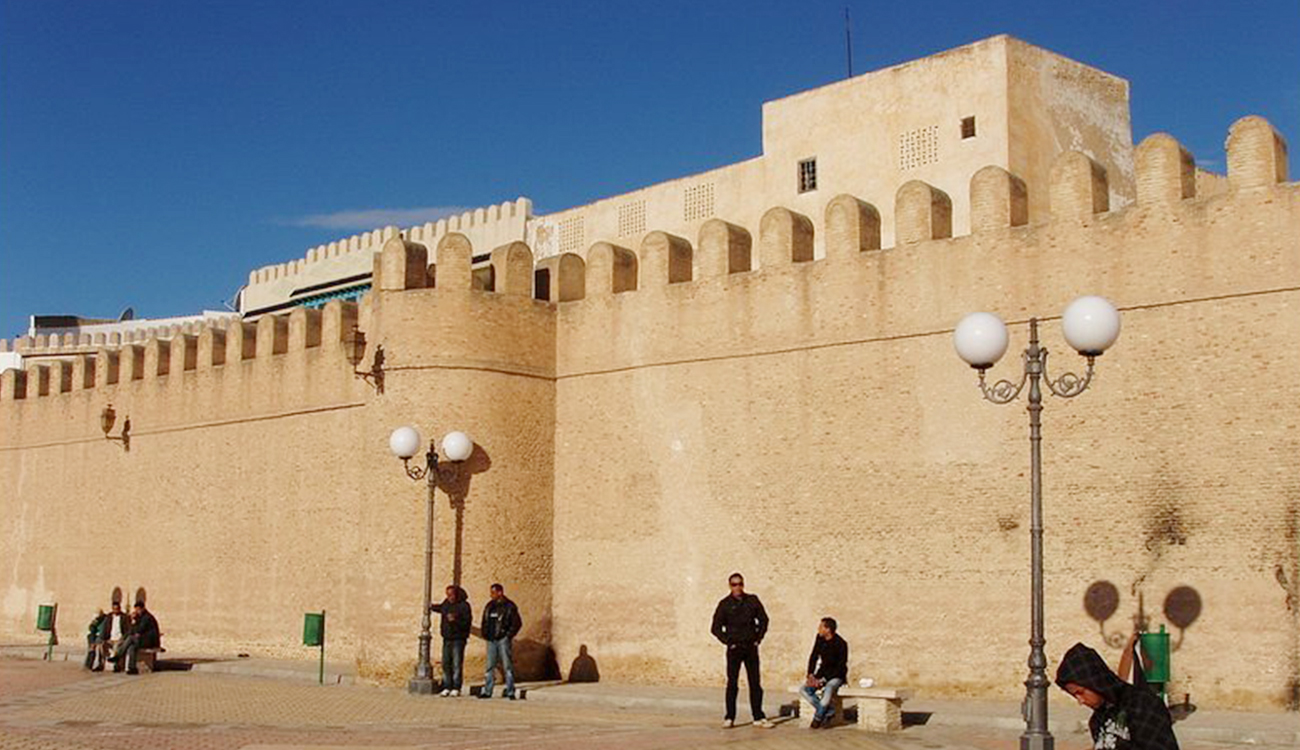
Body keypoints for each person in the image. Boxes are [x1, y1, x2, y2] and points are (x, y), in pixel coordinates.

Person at [1056, 641, 1180, 750]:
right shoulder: (1097, 720)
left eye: (1081, 692)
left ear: (1094, 681)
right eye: (1074, 696)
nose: (1080, 701)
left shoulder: (1142, 704)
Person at [710, 572, 773, 729]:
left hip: (750, 647)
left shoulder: (752, 600)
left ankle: (758, 716)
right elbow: (715, 627)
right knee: (732, 683)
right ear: (730, 586)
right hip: (734, 648)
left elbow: (764, 619)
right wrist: (728, 641)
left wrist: (758, 638)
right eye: (734, 584)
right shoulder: (724, 604)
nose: (737, 587)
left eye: (740, 584)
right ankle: (729, 717)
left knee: (755, 683)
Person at [800, 617, 848, 728]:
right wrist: (811, 675)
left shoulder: (841, 644)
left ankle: (818, 717)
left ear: (828, 629)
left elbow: (841, 667)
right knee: (804, 690)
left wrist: (823, 680)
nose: (818, 629)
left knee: (829, 688)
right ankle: (829, 710)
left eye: (821, 627)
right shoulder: (820, 639)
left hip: (836, 676)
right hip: (821, 674)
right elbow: (814, 656)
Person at [478, 583, 522, 699]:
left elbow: (517, 623)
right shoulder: (489, 606)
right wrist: (485, 633)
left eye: (493, 592)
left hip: (503, 639)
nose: (491, 595)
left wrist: (508, 635)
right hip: (491, 639)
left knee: (507, 665)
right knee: (489, 666)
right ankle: (488, 691)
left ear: (500, 592)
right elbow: (485, 621)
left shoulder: (509, 606)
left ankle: (510, 691)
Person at [430, 585, 471, 697]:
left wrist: (455, 620)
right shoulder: (446, 604)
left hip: (458, 638)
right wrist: (431, 607)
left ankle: (456, 687)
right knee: (446, 663)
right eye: (448, 595)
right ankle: (447, 686)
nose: (449, 597)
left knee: (456, 663)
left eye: (451, 595)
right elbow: (441, 608)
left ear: (456, 594)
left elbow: (467, 622)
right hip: (447, 638)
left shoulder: (464, 606)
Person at [110, 601, 160, 674]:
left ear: (142, 609)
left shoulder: (147, 617)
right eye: (136, 610)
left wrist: (134, 621)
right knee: (132, 647)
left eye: (138, 610)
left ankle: (118, 655)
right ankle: (132, 668)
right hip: (142, 639)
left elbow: (139, 629)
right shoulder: (140, 617)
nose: (137, 611)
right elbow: (132, 630)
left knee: (131, 638)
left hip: (150, 641)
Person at [99, 602, 131, 672]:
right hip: (110, 639)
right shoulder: (109, 617)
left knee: (116, 647)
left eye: (117, 609)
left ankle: (116, 665)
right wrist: (103, 639)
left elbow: (128, 630)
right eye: (114, 609)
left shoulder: (124, 617)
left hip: (119, 639)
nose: (115, 611)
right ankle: (100, 664)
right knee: (101, 646)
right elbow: (105, 629)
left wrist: (122, 638)